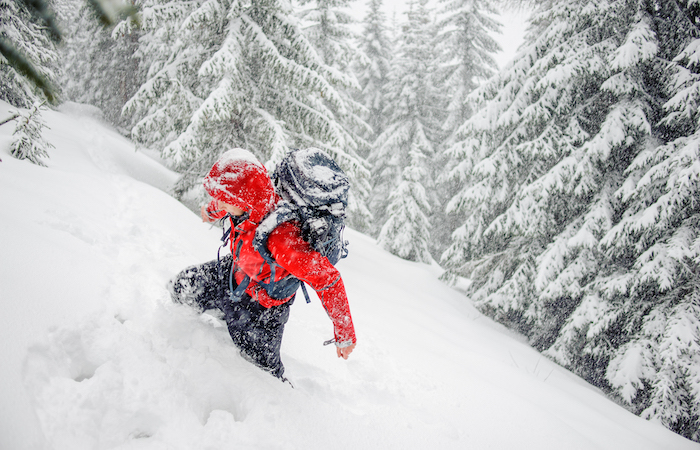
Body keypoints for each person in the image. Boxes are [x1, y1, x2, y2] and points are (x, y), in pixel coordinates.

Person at [168, 149, 356, 380]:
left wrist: (344, 333)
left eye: (226, 201)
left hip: (262, 310)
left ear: (244, 199)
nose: (222, 205)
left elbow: (328, 279)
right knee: (182, 287)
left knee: (263, 378)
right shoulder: (248, 203)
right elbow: (228, 203)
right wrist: (212, 211)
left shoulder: (282, 239)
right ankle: (223, 311)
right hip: (233, 274)